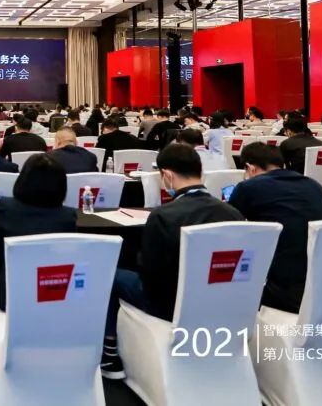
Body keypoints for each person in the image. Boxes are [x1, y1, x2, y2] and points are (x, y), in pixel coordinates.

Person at [102, 144, 243, 379]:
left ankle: (109, 354)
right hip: (222, 300)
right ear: (200, 172)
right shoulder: (232, 212)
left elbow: (150, 273)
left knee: (111, 274)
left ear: (167, 175)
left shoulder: (163, 215)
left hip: (168, 304)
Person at [229, 142, 322, 312]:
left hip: (279, 289)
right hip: (319, 281)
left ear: (250, 168)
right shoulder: (313, 184)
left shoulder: (248, 187)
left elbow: (230, 227)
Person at [0, 153, 77, 310]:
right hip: (53, 294)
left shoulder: (6, 208)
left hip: (11, 295)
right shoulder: (68, 216)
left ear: (23, 180)